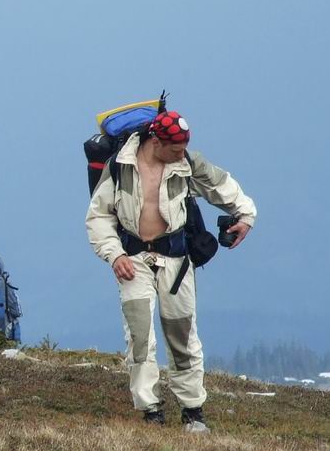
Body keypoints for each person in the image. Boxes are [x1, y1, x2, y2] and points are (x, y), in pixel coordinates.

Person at [85, 109, 256, 429]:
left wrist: (245, 215)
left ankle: (193, 409)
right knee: (139, 335)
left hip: (176, 262)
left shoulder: (187, 164)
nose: (181, 154)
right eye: (175, 149)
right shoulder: (120, 166)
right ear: (156, 141)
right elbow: (98, 216)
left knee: (182, 335)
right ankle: (151, 409)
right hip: (133, 261)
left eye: (183, 149)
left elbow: (222, 185)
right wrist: (114, 254)